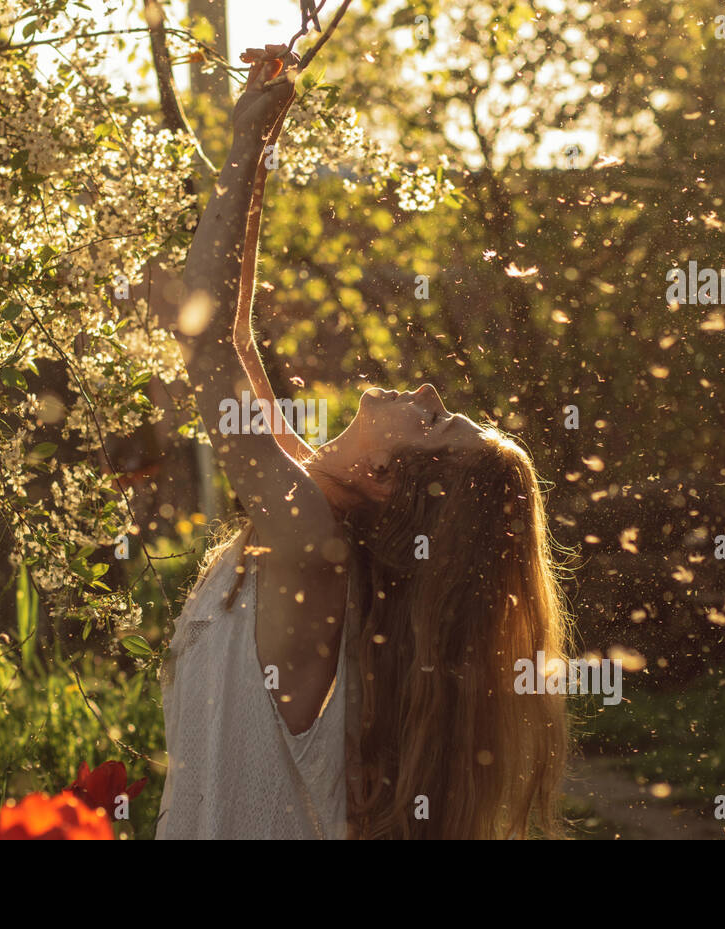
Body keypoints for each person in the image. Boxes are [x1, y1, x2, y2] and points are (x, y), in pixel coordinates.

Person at [157, 45, 570, 840]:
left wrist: (247, 143)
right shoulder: (309, 517)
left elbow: (203, 344)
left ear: (385, 476)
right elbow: (231, 338)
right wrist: (260, 141)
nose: (427, 392)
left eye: (436, 423)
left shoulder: (311, 547)